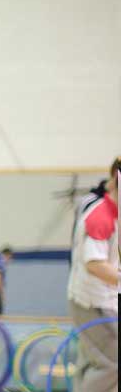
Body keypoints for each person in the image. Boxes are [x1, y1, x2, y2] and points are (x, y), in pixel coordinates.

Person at [66, 157, 120, 392]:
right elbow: (95, 264)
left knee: (92, 363)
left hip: (102, 300)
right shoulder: (101, 216)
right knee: (112, 366)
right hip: (90, 302)